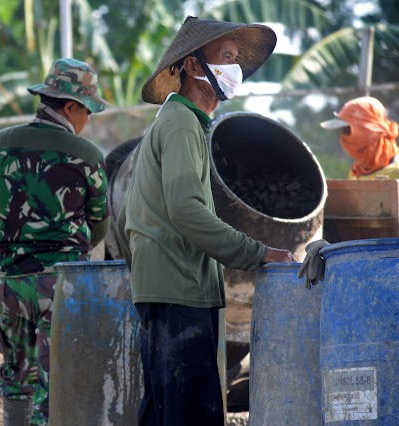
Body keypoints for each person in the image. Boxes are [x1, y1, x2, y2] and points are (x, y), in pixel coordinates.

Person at [115, 16, 295, 425]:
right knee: (188, 413)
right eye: (226, 57)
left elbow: (126, 217)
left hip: (166, 289)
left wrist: (148, 272)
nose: (235, 68)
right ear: (193, 67)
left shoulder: (177, 124)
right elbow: (188, 211)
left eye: (236, 60)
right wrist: (258, 253)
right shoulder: (181, 124)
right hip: (179, 293)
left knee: (164, 411)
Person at [0, 57, 111, 425]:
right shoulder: (87, 155)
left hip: (10, 282)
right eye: (87, 110)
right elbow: (99, 224)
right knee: (55, 380)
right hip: (61, 284)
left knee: (17, 374)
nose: (88, 120)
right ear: (70, 106)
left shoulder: (1, 144)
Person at [320, 96, 399, 179]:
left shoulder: (396, 170)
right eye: (342, 131)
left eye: (347, 130)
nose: (344, 139)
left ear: (368, 130)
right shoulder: (355, 173)